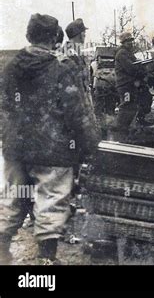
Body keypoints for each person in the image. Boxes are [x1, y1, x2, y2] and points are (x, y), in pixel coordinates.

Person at [0, 13, 100, 264]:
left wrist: (7, 137)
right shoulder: (61, 68)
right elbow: (77, 114)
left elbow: (3, 107)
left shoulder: (10, 67)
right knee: (50, 200)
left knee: (14, 196)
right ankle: (46, 258)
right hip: (52, 150)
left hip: (16, 148)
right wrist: (90, 145)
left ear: (28, 35)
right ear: (54, 38)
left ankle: (1, 249)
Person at [113, 32, 152, 139]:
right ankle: (120, 129)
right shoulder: (122, 53)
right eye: (128, 41)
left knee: (146, 98)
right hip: (125, 85)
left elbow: (136, 66)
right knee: (127, 106)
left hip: (132, 84)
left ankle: (140, 121)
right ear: (123, 42)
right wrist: (143, 71)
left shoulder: (128, 53)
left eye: (131, 41)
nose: (130, 43)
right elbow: (131, 68)